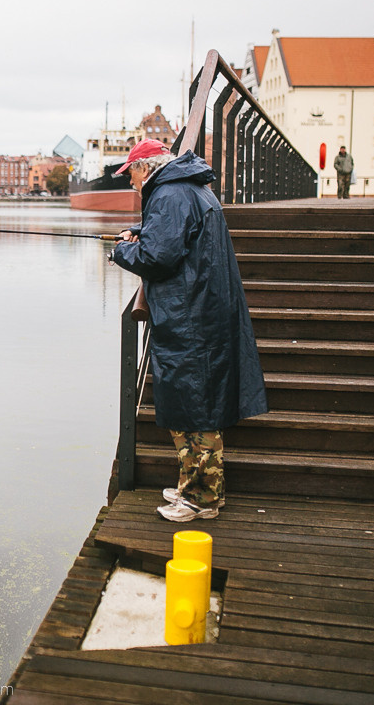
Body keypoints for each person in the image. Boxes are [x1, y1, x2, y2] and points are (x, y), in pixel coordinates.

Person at [109, 138, 268, 522]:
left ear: (145, 168)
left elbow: (158, 257)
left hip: (191, 319)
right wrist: (140, 230)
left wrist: (122, 251)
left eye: (130, 173)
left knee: (195, 410)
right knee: (193, 403)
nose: (131, 183)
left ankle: (202, 499)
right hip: (201, 311)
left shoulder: (169, 195)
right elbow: (174, 236)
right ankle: (192, 485)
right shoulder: (188, 190)